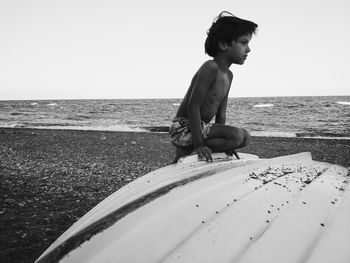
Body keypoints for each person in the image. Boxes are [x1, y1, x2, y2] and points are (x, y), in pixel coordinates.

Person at [170, 11, 258, 163]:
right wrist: (199, 145)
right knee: (237, 135)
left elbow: (221, 112)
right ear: (224, 44)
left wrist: (226, 144)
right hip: (184, 127)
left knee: (245, 137)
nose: (248, 49)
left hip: (202, 129)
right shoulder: (210, 67)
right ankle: (192, 150)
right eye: (243, 43)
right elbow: (193, 106)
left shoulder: (229, 75)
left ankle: (190, 152)